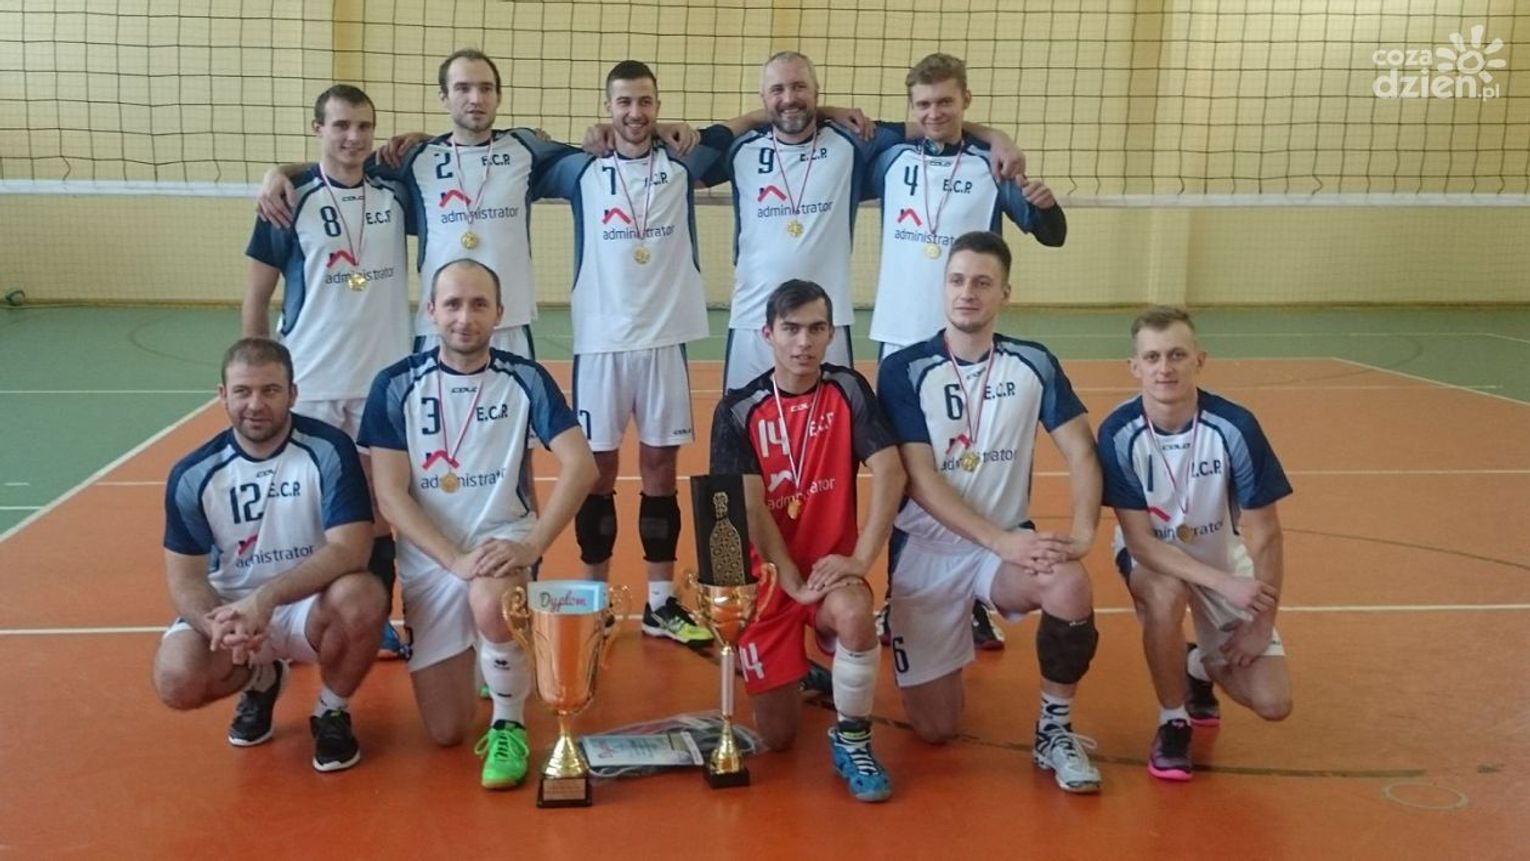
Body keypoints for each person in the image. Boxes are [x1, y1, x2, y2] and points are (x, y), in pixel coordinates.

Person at [877, 230, 1104, 794]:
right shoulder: (904, 368)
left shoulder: (1033, 362)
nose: (967, 293)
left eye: (982, 282)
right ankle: (940, 642)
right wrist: (1000, 540)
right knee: (936, 730)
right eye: (957, 280)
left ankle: (1055, 731)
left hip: (1002, 551)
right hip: (927, 553)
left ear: (1005, 292)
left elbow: (1081, 449)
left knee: (1069, 583)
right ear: (943, 287)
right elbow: (920, 480)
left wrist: (1083, 534)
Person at [359, 259, 597, 790]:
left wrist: (532, 545)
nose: (464, 318)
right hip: (433, 558)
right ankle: (493, 654)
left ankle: (509, 722)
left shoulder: (525, 379)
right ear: (430, 311)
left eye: (478, 305)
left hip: (500, 543)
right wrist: (453, 560)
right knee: (446, 731)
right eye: (452, 304)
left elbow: (582, 466)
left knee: (490, 600)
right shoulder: (394, 385)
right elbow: (390, 495)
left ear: (499, 313)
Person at [868, 52, 1066, 650]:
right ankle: (898, 596)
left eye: (946, 103)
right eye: (924, 104)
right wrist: (994, 130)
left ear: (965, 101)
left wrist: (1041, 198)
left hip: (968, 349)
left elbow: (1051, 233)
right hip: (901, 344)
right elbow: (827, 122)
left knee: (973, 470)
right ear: (911, 108)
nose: (934, 113)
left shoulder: (991, 168)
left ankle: (976, 596)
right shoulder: (888, 157)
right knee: (907, 480)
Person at [535, 60, 732, 644]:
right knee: (596, 473)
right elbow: (522, 150)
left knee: (660, 470)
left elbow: (743, 131)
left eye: (645, 102)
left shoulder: (683, 162)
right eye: (623, 102)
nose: (635, 113)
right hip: (601, 344)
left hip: (664, 340)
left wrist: (685, 131)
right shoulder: (581, 168)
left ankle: (660, 603)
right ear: (608, 107)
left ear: (657, 104)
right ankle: (594, 601)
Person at [709, 51, 1027, 392]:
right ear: (763, 96)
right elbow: (694, 152)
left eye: (800, 87)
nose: (789, 98)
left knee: (831, 419)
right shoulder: (739, 148)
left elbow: (931, 127)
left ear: (817, 90)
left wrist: (996, 136)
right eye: (777, 89)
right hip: (753, 319)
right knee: (743, 417)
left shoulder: (853, 140)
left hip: (827, 321)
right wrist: (754, 117)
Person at [710, 280, 907, 802]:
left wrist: (861, 559)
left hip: (828, 572)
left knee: (856, 613)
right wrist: (790, 580)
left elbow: (891, 471)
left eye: (817, 329)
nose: (804, 342)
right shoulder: (737, 410)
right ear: (767, 334)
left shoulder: (848, 390)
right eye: (791, 329)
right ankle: (804, 673)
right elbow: (747, 507)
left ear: (831, 334)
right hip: (768, 584)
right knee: (778, 740)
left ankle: (853, 740)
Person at [153, 338, 387, 773]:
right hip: (232, 608)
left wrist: (267, 599)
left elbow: (352, 549)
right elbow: (185, 579)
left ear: (293, 394)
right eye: (242, 391)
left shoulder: (328, 449)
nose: (255, 404)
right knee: (176, 680)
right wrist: (214, 624)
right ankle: (264, 678)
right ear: (222, 395)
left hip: (309, 605)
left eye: (270, 390)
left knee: (363, 596)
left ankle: (331, 710)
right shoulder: (193, 474)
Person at [242, 83, 413, 660]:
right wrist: (256, 380)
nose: (353, 137)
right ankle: (292, 624)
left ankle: (376, 622)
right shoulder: (288, 202)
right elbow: (256, 298)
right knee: (305, 514)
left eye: (363, 126)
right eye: (341, 125)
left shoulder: (395, 193)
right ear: (318, 129)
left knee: (382, 511)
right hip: (311, 383)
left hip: (381, 384)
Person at [1098, 305, 1293, 781]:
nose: (1164, 368)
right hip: (1154, 558)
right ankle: (1173, 720)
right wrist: (1221, 585)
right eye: (1152, 357)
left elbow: (1266, 533)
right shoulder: (1118, 433)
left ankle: (1196, 667)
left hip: (1221, 555)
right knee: (1166, 594)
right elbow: (1141, 543)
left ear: (1199, 360)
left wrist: (1261, 621)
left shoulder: (1235, 427)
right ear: (1134, 366)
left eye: (1177, 355)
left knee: (1273, 703)